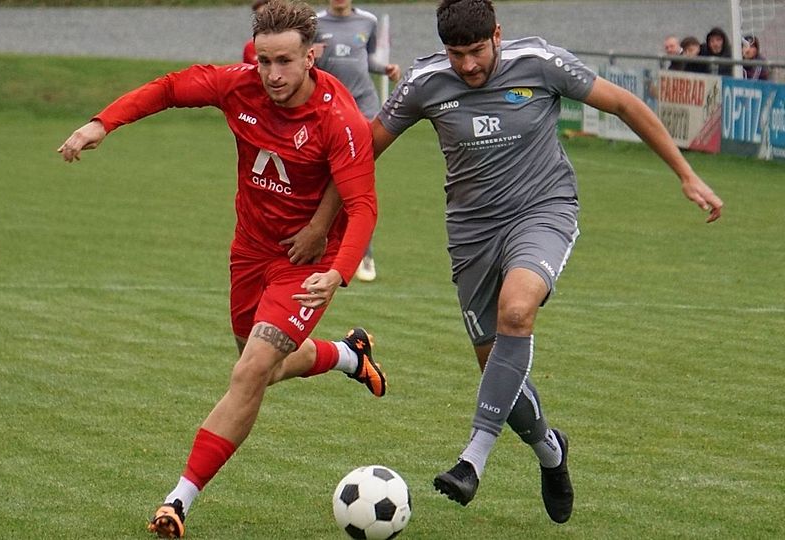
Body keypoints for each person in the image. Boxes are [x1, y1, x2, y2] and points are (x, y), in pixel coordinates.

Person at [367, 0, 724, 524]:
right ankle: (551, 452)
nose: (467, 65)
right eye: (456, 54)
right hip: (471, 235)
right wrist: (321, 220)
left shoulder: (540, 63)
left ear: (497, 34)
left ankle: (472, 460)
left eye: (476, 50)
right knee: (497, 369)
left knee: (517, 311)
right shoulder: (425, 82)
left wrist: (686, 175)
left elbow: (625, 104)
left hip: (543, 210)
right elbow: (364, 150)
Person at [58, 1, 387, 537]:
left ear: (312, 56)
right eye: (264, 61)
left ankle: (177, 500)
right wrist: (103, 122)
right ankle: (348, 355)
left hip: (308, 264)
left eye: (285, 61)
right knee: (260, 367)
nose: (272, 74)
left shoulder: (337, 118)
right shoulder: (239, 85)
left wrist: (339, 271)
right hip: (250, 250)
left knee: (250, 372)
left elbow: (364, 206)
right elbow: (169, 89)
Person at [313, 0, 401, 282]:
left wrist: (385, 68)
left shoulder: (368, 21)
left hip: (363, 109)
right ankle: (327, 246)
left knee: (356, 181)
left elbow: (367, 59)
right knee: (326, 182)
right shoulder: (314, 22)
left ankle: (364, 254)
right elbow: (306, 61)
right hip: (329, 110)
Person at [242, 0, 270, 64]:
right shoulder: (250, 47)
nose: (263, 18)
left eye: (266, 14)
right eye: (259, 15)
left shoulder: (288, 42)